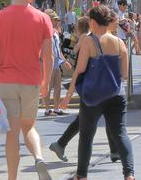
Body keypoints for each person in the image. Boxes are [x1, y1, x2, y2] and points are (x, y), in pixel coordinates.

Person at [60, 5, 135, 180]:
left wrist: (68, 96)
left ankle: (82, 177)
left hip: (92, 97)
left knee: (86, 135)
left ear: (92, 22)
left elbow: (79, 70)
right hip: (116, 95)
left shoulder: (89, 41)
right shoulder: (120, 43)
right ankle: (129, 176)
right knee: (120, 133)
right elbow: (123, 75)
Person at [0, 0, 54, 180]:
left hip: (7, 81)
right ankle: (38, 157)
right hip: (31, 81)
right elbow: (48, 56)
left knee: (12, 133)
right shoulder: (43, 19)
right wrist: (45, 81)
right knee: (29, 127)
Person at [49, 16, 120, 163]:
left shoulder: (86, 38)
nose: (116, 25)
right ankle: (63, 145)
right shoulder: (88, 38)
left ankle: (61, 144)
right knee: (93, 119)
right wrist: (68, 95)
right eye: (114, 22)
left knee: (88, 118)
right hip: (90, 84)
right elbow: (80, 65)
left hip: (89, 84)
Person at [43, 9, 73, 116]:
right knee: (48, 86)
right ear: (49, 20)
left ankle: (56, 108)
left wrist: (64, 61)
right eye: (55, 20)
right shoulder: (44, 32)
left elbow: (57, 49)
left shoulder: (55, 32)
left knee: (57, 86)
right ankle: (47, 109)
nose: (57, 22)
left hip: (56, 62)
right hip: (48, 63)